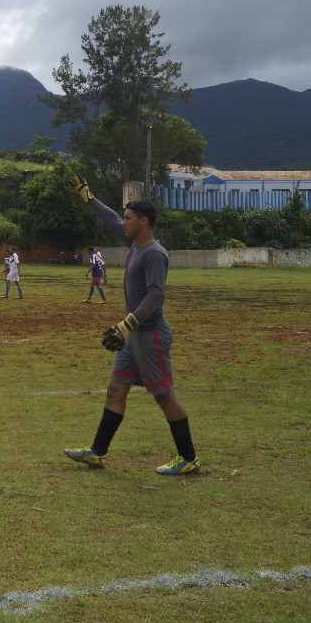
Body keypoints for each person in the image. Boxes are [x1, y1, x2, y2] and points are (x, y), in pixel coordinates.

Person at [64, 173, 200, 476]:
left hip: (149, 334)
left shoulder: (154, 253)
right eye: (124, 218)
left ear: (144, 222)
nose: (123, 223)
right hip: (131, 334)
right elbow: (110, 216)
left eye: (129, 218)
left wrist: (127, 324)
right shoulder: (134, 244)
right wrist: (87, 196)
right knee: (116, 390)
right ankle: (97, 453)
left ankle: (188, 457)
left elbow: (156, 295)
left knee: (164, 396)